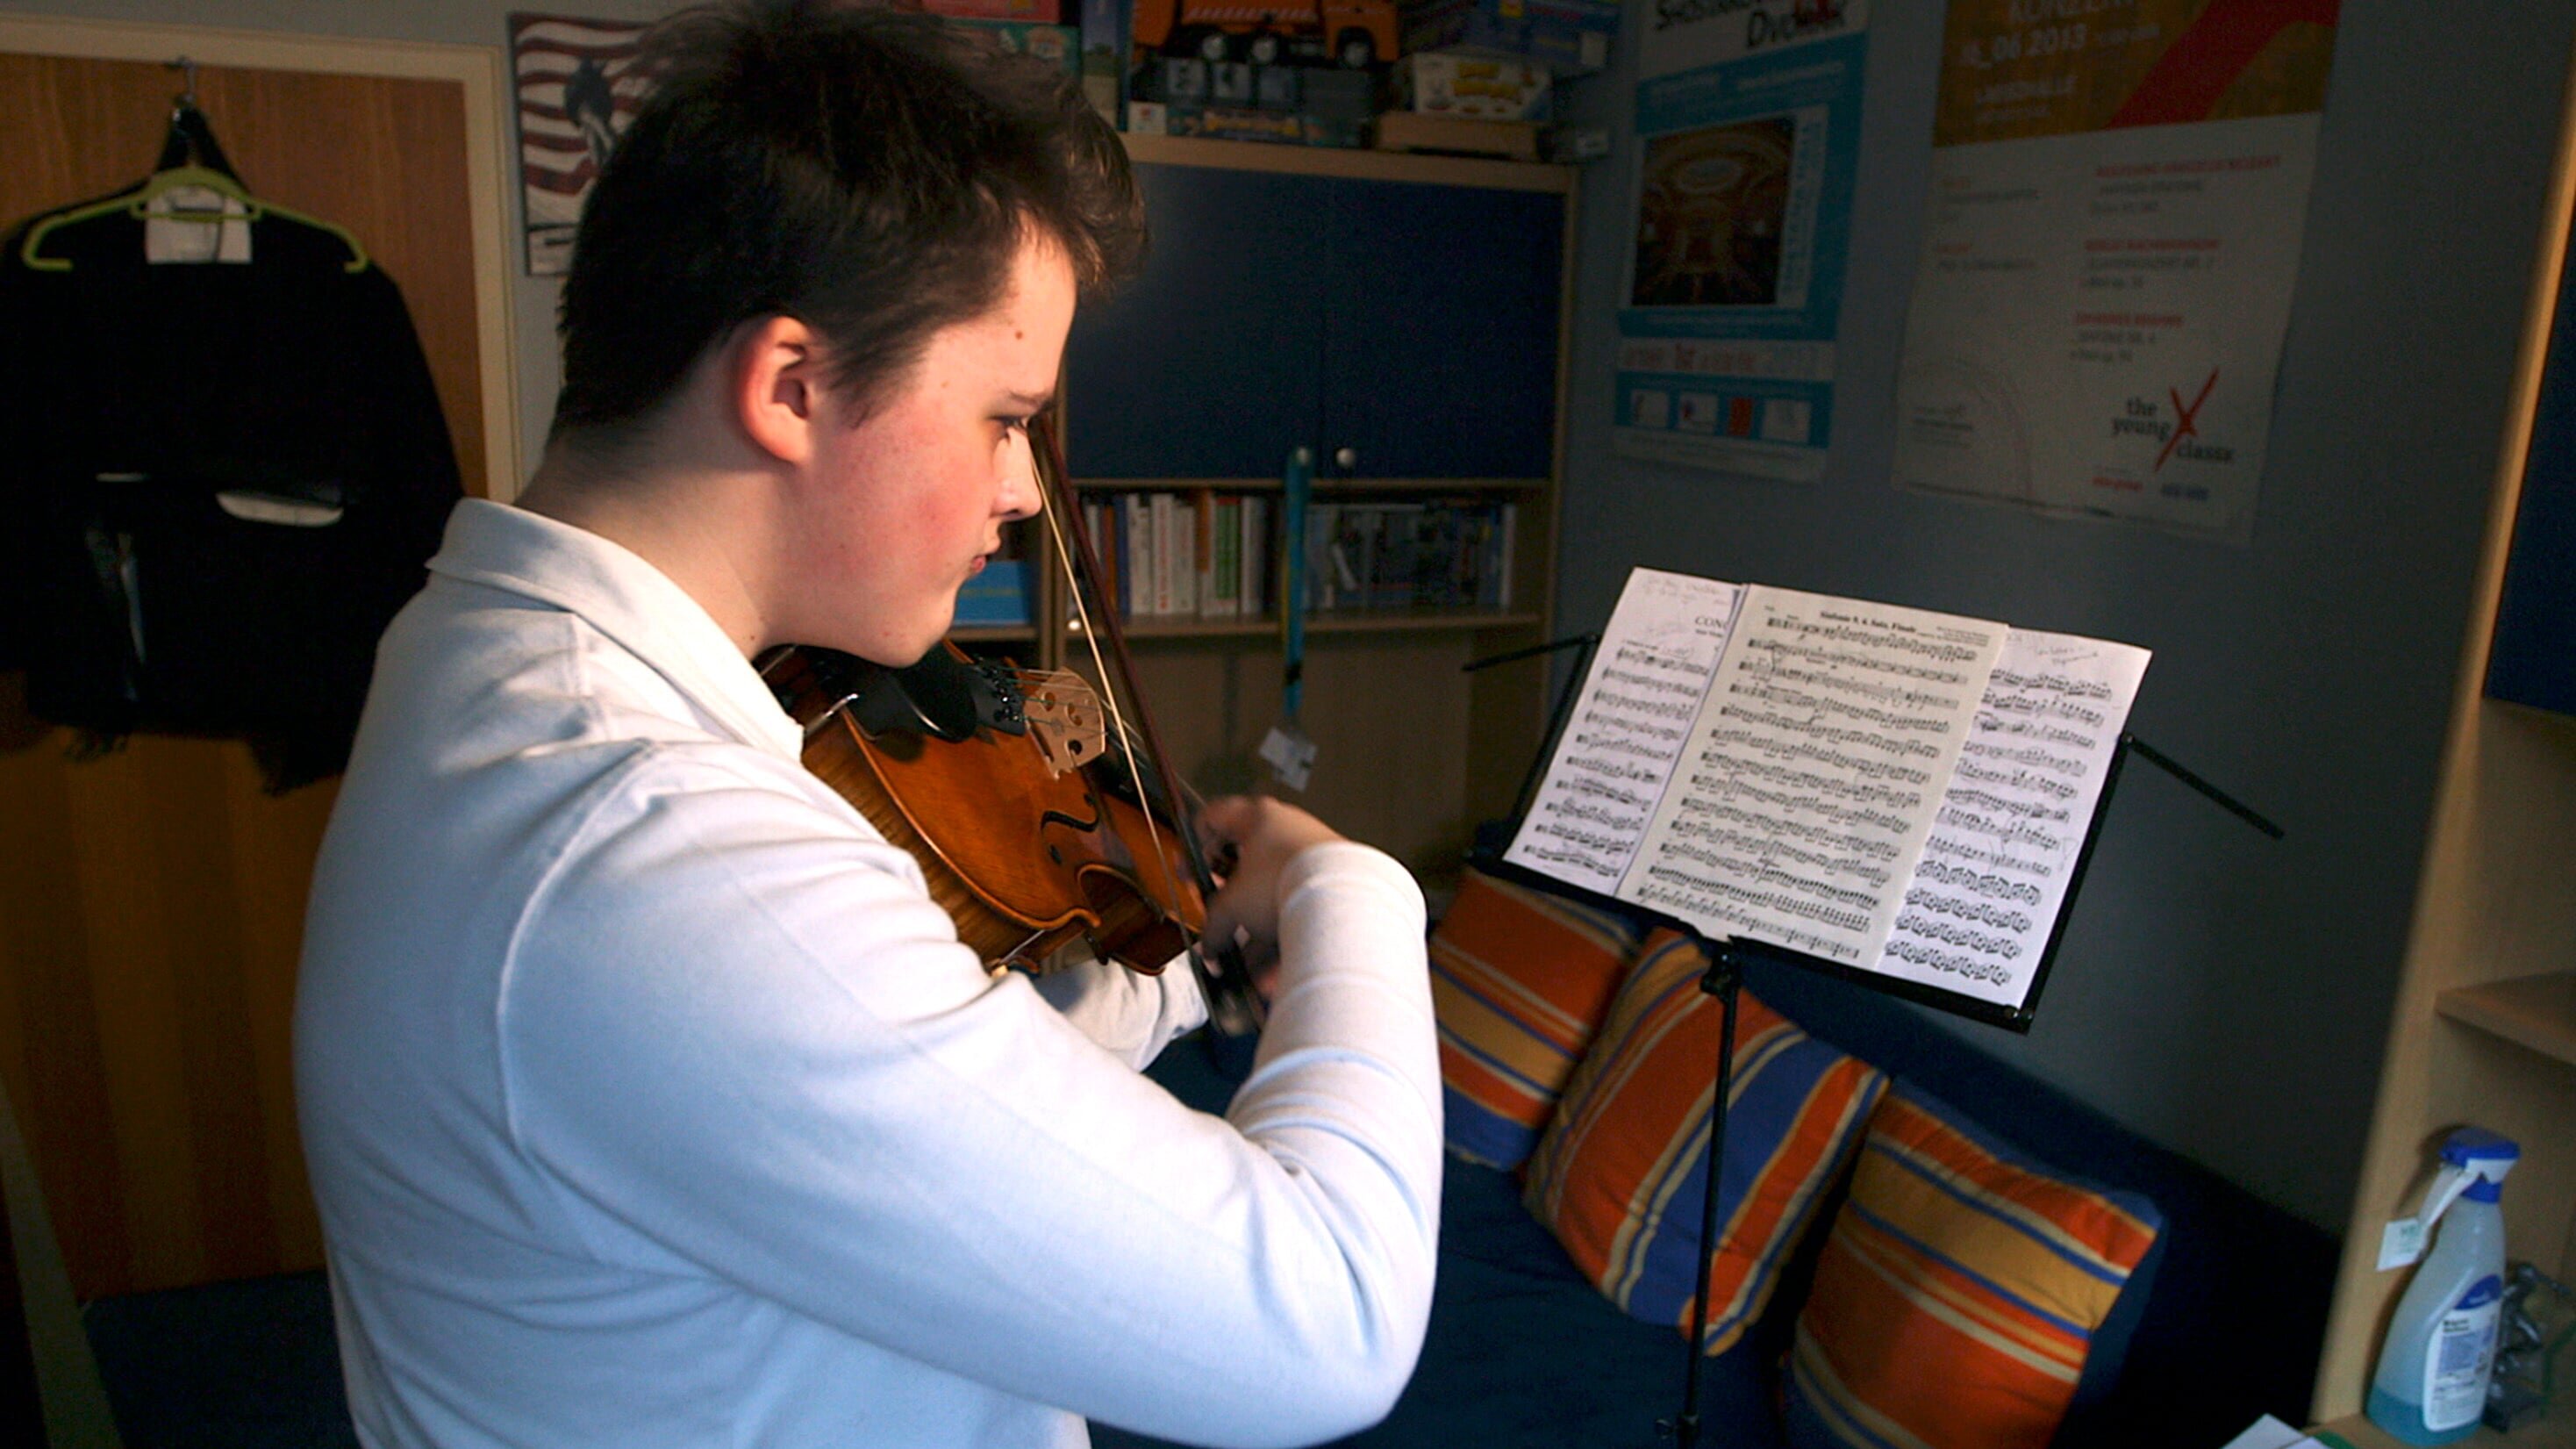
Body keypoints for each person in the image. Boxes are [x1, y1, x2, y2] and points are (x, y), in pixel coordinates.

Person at [290, 4, 1441, 1447]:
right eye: (1003, 416)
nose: (1025, 490)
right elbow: (1327, 1324)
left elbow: (841, 1088)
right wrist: (1355, 887)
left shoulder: (477, 644)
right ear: (791, 386)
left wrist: (1163, 974)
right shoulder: (656, 853)